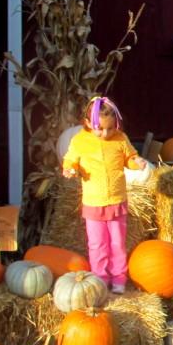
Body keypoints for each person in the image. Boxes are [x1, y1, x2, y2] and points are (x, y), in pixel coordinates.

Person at [62, 96, 147, 293]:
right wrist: (70, 169)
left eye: (110, 128)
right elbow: (70, 160)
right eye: (100, 128)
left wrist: (137, 163)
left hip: (116, 200)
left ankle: (118, 279)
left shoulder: (120, 138)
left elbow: (130, 158)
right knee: (97, 244)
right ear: (87, 123)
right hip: (93, 201)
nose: (105, 133)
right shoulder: (80, 140)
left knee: (117, 243)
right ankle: (100, 278)